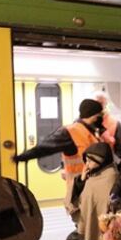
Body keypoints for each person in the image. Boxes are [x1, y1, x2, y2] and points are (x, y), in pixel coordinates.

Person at [12, 98, 106, 231]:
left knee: (94, 224)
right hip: (80, 188)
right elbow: (45, 147)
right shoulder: (70, 132)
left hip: (94, 188)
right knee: (86, 225)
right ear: (94, 115)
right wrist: (22, 157)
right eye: (99, 115)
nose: (101, 118)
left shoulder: (92, 131)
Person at [92, 91, 121, 160]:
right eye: (95, 103)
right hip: (88, 163)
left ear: (106, 104)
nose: (98, 106)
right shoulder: (85, 122)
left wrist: (116, 163)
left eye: (101, 103)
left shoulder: (115, 123)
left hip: (108, 164)